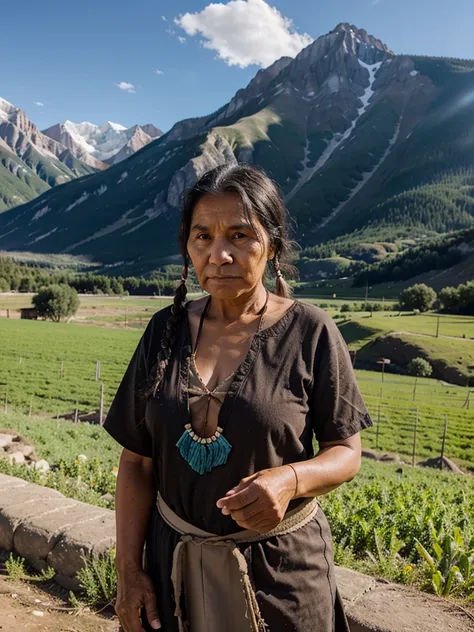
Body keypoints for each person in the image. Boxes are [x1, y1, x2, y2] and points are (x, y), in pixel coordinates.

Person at [103, 164, 372, 632]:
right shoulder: (163, 331)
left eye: (240, 235)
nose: (219, 253)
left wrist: (290, 479)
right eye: (202, 236)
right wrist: (129, 571)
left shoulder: (311, 332)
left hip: (280, 579)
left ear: (272, 245)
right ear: (187, 247)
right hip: (174, 575)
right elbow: (137, 462)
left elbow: (346, 455)